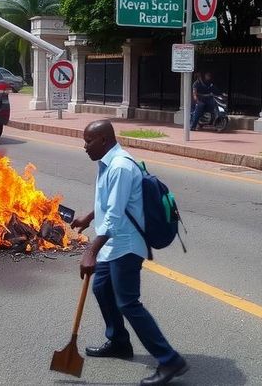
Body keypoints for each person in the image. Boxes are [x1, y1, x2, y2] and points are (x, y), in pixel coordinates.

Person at [71, 119, 189, 386]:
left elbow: (113, 217)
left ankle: (170, 360)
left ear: (104, 140)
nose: (85, 147)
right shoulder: (108, 163)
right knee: (101, 288)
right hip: (112, 243)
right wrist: (88, 218)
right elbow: (109, 202)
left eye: (88, 141)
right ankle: (119, 341)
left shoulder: (121, 167)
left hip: (126, 245)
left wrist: (91, 250)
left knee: (128, 303)